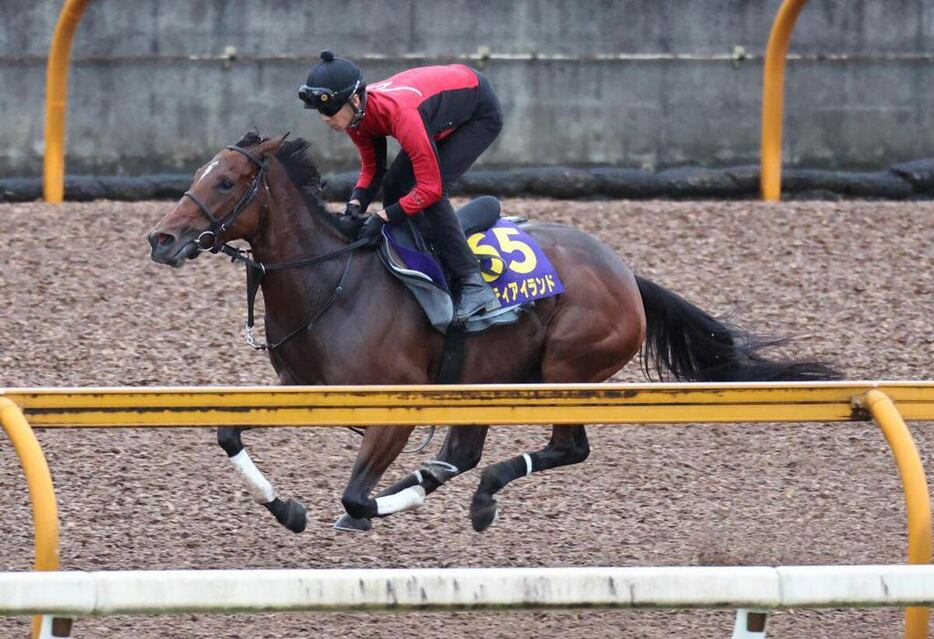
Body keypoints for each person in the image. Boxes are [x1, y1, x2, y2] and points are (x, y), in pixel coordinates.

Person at [298, 50, 503, 322]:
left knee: (434, 191)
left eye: (330, 110)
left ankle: (473, 283)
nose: (325, 119)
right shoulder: (356, 117)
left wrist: (383, 218)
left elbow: (429, 189)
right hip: (438, 111)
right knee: (395, 185)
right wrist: (355, 206)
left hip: (477, 113)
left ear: (355, 99)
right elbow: (373, 171)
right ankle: (425, 253)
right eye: (321, 112)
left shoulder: (400, 114)